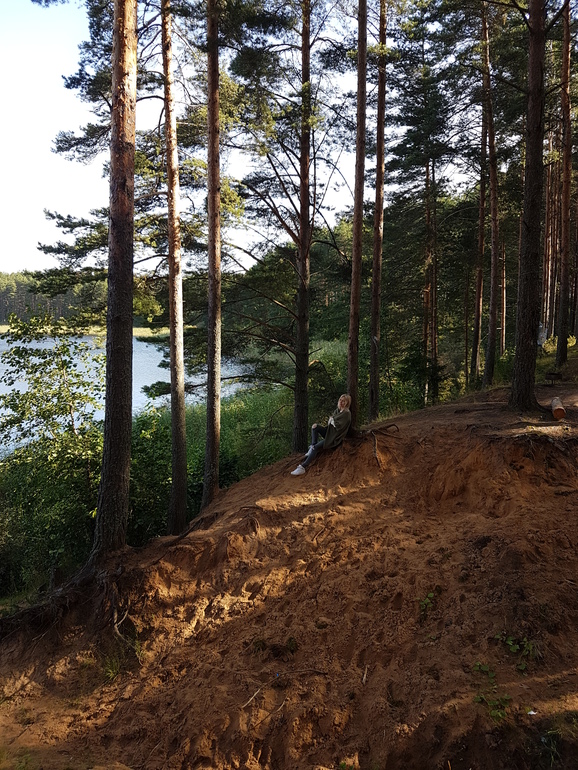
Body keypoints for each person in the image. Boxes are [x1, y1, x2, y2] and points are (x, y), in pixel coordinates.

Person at [291, 394, 352, 476]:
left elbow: (339, 426)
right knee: (315, 427)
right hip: (329, 433)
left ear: (347, 403)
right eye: (340, 400)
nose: (341, 402)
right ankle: (312, 446)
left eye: (344, 401)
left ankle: (302, 467)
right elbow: (331, 423)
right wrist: (331, 420)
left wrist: (332, 420)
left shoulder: (346, 413)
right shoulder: (337, 411)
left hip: (334, 438)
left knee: (316, 447)